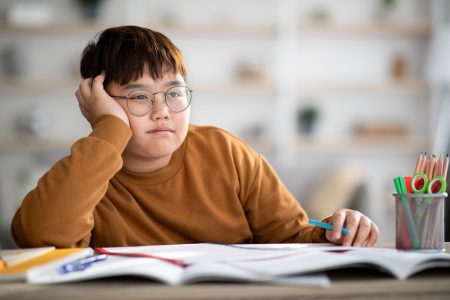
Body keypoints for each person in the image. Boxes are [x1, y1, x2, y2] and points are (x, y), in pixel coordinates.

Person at [11, 26, 379, 248]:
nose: (163, 111)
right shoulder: (88, 172)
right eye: (139, 96)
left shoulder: (226, 152)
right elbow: (38, 236)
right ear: (99, 103)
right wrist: (109, 131)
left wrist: (334, 231)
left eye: (174, 93)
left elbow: (293, 237)